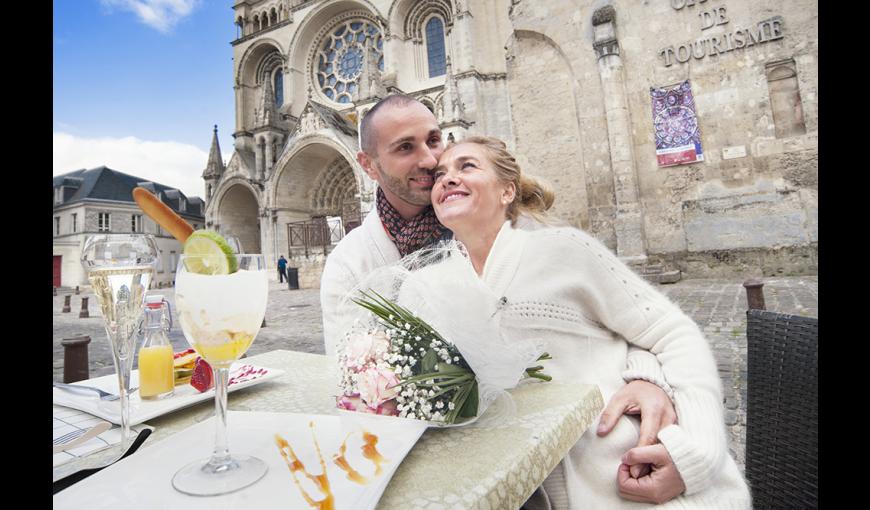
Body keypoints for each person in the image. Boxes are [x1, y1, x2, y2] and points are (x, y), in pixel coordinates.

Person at [320, 95, 682, 504]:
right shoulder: (350, 266)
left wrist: (644, 377)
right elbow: (356, 387)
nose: (429, 158)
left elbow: (616, 318)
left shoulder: (511, 224)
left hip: (562, 451)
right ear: (368, 165)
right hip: (437, 466)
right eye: (405, 147)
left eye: (434, 139)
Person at [412, 135, 750, 508]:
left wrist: (697, 455)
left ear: (507, 191)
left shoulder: (564, 250)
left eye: (467, 166)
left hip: (623, 475)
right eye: (440, 173)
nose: (448, 178)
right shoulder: (425, 286)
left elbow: (672, 333)